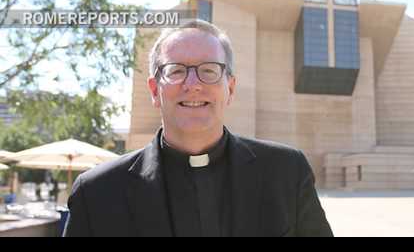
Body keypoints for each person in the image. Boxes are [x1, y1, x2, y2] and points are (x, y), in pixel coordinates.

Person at [63, 19, 333, 237]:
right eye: (176, 70)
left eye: (209, 70)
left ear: (230, 88)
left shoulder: (287, 171)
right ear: (155, 91)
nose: (193, 83)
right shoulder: (97, 192)